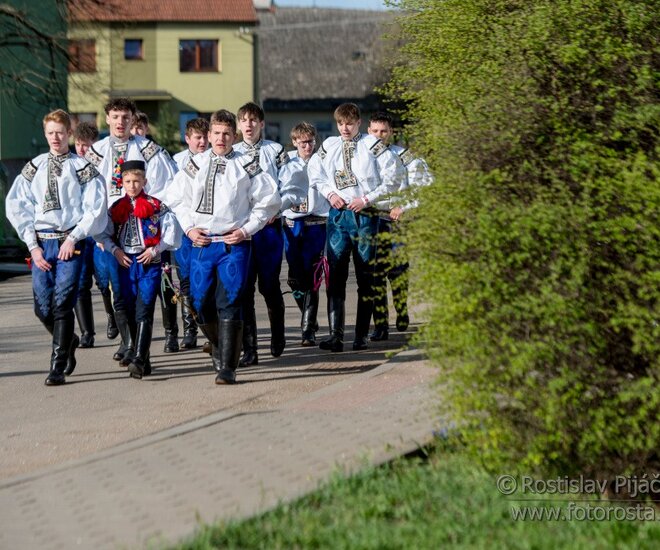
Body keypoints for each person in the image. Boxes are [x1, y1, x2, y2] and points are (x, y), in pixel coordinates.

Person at [169, 109, 281, 384]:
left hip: (234, 245)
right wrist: (189, 228)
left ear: (234, 136)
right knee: (199, 302)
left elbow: (269, 201)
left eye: (227, 134)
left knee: (229, 300)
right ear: (208, 135)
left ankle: (228, 368)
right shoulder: (195, 164)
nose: (221, 138)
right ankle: (220, 346)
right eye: (216, 133)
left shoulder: (247, 165)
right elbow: (177, 199)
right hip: (202, 243)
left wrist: (246, 229)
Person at [6, 109, 106, 385]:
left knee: (62, 304)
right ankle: (69, 340)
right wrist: (32, 245)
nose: (55, 137)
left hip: (70, 242)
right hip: (41, 242)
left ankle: (57, 366)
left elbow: (95, 206)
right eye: (50, 133)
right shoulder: (35, 166)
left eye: (60, 132)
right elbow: (17, 205)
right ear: (45, 134)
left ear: (69, 134)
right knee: (42, 308)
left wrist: (74, 237)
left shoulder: (82, 168)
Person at [85, 97, 178, 364]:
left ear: (132, 119)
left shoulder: (149, 150)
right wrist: (98, 229)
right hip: (109, 230)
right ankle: (128, 343)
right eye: (115, 117)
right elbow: (87, 193)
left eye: (125, 117)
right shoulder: (96, 152)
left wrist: (153, 220)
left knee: (146, 295)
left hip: (144, 231)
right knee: (118, 291)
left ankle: (143, 348)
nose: (120, 122)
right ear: (107, 119)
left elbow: (168, 186)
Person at [308, 103, 404, 352]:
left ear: (359, 123)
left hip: (365, 216)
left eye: (349, 123)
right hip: (338, 216)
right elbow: (315, 172)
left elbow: (393, 177)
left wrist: (368, 199)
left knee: (365, 276)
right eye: (341, 123)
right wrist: (329, 193)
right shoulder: (329, 145)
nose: (345, 128)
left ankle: (361, 335)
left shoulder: (372, 145)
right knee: (335, 276)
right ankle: (336, 336)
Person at [99, 160, 181, 379]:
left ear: (144, 181)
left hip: (148, 263)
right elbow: (103, 235)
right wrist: (115, 250)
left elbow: (171, 233)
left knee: (145, 308)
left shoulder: (157, 205)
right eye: (128, 181)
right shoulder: (116, 208)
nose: (132, 185)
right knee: (129, 309)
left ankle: (138, 358)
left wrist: (155, 250)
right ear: (122, 183)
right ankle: (143, 357)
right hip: (125, 263)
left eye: (136, 181)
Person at [367, 112, 434, 340]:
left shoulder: (405, 157)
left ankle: (401, 307)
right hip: (372, 220)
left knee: (397, 270)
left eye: (383, 131)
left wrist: (404, 206)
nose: (379, 135)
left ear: (391, 132)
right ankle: (381, 325)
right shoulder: (362, 157)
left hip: (396, 221)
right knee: (374, 273)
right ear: (368, 131)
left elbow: (424, 186)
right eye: (375, 131)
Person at [233, 102, 290, 367]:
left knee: (269, 285)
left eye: (253, 120)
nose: (249, 124)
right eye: (244, 120)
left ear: (262, 124)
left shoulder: (275, 151)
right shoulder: (232, 152)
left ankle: (278, 336)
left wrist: (277, 208)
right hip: (242, 230)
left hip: (268, 228)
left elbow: (291, 185)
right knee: (244, 288)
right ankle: (250, 349)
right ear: (238, 124)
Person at [280, 122, 329, 346]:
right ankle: (308, 316)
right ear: (294, 142)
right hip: (292, 223)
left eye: (310, 142)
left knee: (313, 276)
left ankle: (307, 329)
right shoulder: (286, 161)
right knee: (294, 278)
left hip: (316, 223)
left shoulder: (323, 161)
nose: (307, 146)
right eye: (302, 143)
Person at [172, 117, 210, 349]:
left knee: (205, 281)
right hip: (184, 231)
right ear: (187, 139)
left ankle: (210, 329)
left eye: (205, 137)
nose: (202, 142)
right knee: (185, 280)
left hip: (208, 230)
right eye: (198, 138)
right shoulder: (176, 161)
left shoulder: (214, 158)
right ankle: (189, 330)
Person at [71, 121, 104, 348]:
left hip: (99, 231)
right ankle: (87, 333)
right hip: (78, 232)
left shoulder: (102, 165)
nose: (82, 149)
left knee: (104, 281)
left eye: (87, 145)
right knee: (81, 282)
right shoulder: (70, 166)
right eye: (78, 144)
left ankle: (113, 318)